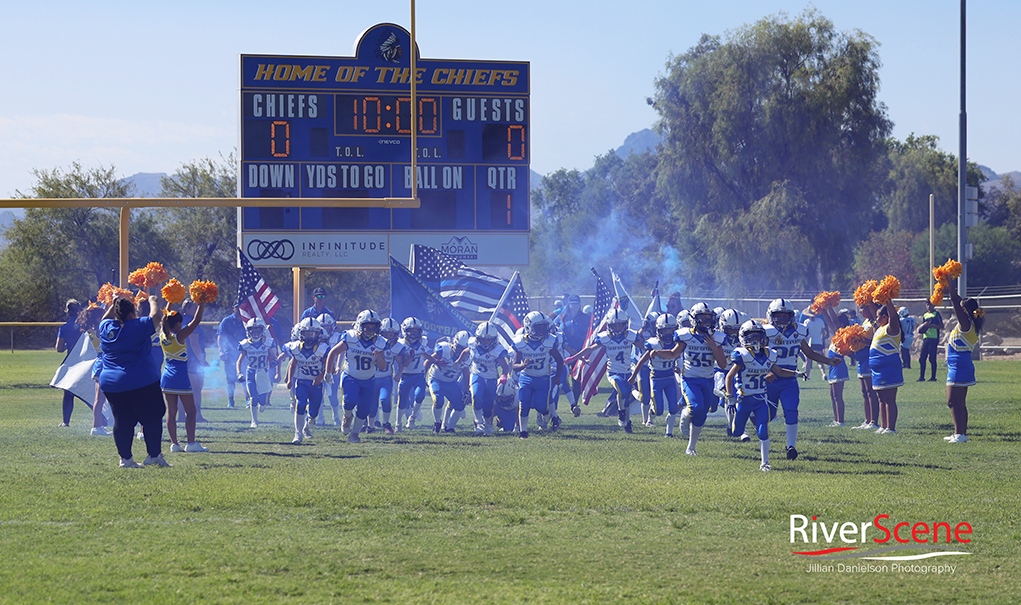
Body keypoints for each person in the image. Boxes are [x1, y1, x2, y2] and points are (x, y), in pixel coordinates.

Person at [761, 298, 841, 460]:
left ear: (791, 316)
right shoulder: (765, 332)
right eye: (779, 315)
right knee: (765, 416)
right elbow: (758, 355)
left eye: (785, 316)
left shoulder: (798, 331)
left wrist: (828, 361)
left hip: (789, 380)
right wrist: (764, 372)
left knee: (791, 412)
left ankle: (791, 446)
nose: (782, 319)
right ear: (771, 315)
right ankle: (764, 448)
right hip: (769, 380)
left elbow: (809, 353)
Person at [99, 294, 170, 468]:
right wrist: (153, 301)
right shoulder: (136, 326)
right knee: (153, 416)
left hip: (111, 382)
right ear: (131, 315)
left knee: (122, 420)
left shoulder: (106, 327)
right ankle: (153, 456)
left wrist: (115, 302)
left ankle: (125, 459)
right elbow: (156, 317)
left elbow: (104, 318)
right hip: (140, 379)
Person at [646, 303, 727, 454]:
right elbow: (673, 354)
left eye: (708, 318)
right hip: (690, 379)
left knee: (702, 414)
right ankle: (684, 414)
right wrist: (658, 352)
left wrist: (714, 347)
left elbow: (723, 364)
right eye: (702, 318)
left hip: (708, 380)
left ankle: (691, 447)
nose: (706, 321)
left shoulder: (717, 337)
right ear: (694, 319)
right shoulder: (685, 335)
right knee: (695, 407)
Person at [725, 320, 796, 472]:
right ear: (743, 338)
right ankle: (732, 423)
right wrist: (730, 396)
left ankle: (765, 462)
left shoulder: (769, 354)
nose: (756, 340)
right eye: (752, 337)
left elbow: (779, 371)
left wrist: (796, 373)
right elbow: (729, 377)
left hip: (761, 399)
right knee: (736, 432)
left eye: (758, 337)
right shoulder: (741, 355)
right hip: (744, 400)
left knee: (763, 430)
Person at [569, 309, 643, 433]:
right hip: (613, 372)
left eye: (620, 325)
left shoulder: (631, 335)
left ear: (625, 324)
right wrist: (576, 356)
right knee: (623, 392)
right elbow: (591, 348)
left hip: (628, 372)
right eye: (615, 325)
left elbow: (645, 346)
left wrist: (658, 352)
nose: (618, 328)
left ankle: (627, 421)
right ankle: (621, 413)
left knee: (625, 397)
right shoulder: (605, 337)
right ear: (609, 325)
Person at [326, 310, 386, 443]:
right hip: (350, 376)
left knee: (365, 409)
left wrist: (379, 357)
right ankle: (347, 417)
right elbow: (333, 353)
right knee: (349, 401)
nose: (371, 329)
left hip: (368, 380)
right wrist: (328, 372)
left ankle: (354, 434)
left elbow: (383, 367)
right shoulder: (350, 337)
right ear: (360, 325)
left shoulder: (380, 342)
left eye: (373, 326)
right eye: (367, 326)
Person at [160, 300, 209, 453]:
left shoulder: (162, 335)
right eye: (180, 323)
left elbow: (165, 317)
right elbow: (196, 321)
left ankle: (174, 444)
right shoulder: (179, 336)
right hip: (180, 375)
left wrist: (170, 300)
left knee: (171, 411)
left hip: (167, 375)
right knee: (191, 411)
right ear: (177, 325)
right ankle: (191, 443)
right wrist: (201, 304)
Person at [511, 311, 565, 439]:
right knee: (523, 404)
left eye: (543, 326)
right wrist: (523, 366)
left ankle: (547, 413)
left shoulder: (549, 341)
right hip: (526, 377)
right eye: (538, 327)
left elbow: (559, 360)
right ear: (529, 327)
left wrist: (557, 376)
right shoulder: (520, 342)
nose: (542, 330)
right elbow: (514, 365)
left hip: (543, 378)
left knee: (541, 406)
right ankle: (523, 432)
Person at [628, 313, 682, 438]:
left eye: (670, 330)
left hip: (669, 377)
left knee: (673, 407)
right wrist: (632, 377)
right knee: (658, 410)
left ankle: (669, 433)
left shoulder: (677, 343)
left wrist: (678, 366)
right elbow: (641, 361)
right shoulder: (653, 343)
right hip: (656, 378)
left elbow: (678, 356)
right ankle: (650, 415)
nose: (668, 333)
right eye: (665, 330)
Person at [454, 322, 511, 435]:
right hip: (477, 375)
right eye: (483, 340)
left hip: (491, 378)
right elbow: (466, 351)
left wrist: (504, 375)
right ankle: (478, 423)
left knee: (489, 404)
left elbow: (505, 365)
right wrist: (459, 360)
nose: (485, 342)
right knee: (476, 395)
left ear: (494, 340)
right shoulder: (472, 344)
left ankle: (487, 423)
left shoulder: (497, 350)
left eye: (488, 340)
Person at [943, 281, 982, 443]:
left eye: (962, 308)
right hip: (960, 364)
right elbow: (958, 301)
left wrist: (949, 280)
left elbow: (954, 300)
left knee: (952, 401)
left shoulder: (965, 324)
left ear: (965, 310)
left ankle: (960, 434)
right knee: (959, 402)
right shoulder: (971, 323)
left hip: (959, 365)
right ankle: (960, 433)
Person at [285, 317, 331, 444]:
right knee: (300, 405)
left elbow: (329, 366)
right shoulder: (296, 347)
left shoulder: (322, 348)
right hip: (302, 381)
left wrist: (320, 377)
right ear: (301, 334)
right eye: (307, 333)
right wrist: (289, 379)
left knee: (314, 412)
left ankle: (306, 426)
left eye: (313, 333)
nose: (310, 336)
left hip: (316, 384)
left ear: (318, 334)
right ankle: (297, 434)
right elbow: (293, 364)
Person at [75, 304, 113, 435]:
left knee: (99, 398)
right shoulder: (101, 330)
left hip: (99, 363)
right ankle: (98, 426)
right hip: (106, 363)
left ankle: (97, 426)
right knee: (105, 398)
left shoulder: (91, 330)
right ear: (98, 319)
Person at [871, 296, 904, 434]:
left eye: (878, 316)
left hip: (889, 368)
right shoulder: (879, 328)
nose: (876, 319)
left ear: (885, 317)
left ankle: (891, 428)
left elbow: (894, 317)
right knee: (881, 398)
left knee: (890, 398)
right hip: (878, 370)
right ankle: (883, 426)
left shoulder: (891, 328)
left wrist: (888, 300)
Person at [237, 318, 278, 428]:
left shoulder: (267, 343)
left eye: (257, 330)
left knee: (262, 400)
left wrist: (275, 363)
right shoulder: (246, 344)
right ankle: (254, 421)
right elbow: (239, 361)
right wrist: (239, 373)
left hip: (263, 373)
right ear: (249, 331)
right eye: (253, 331)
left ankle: (263, 403)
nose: (255, 333)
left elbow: (275, 357)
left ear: (262, 331)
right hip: (250, 372)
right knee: (253, 398)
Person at [428, 331, 470, 433]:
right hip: (436, 379)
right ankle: (437, 422)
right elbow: (428, 361)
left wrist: (466, 390)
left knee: (460, 405)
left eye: (464, 349)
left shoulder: (468, 357)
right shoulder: (445, 349)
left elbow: (466, 374)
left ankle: (450, 427)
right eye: (460, 348)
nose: (461, 351)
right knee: (438, 400)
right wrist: (423, 376)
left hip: (451, 383)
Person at [55, 299, 84, 427]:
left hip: (72, 363)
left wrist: (69, 345)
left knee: (68, 394)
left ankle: (66, 422)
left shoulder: (64, 328)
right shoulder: (86, 325)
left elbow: (59, 348)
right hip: (87, 361)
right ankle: (100, 421)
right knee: (94, 393)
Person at [559, 294, 591, 403]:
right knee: (570, 378)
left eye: (577, 304)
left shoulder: (586, 318)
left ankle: (576, 401)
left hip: (583, 351)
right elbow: (559, 335)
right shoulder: (562, 318)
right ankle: (574, 402)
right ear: (569, 305)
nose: (575, 306)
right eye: (573, 304)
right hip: (568, 353)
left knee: (578, 378)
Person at [180, 300, 208, 423]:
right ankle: (197, 416)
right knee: (196, 389)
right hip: (193, 360)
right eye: (195, 307)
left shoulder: (181, 321)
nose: (197, 308)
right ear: (187, 309)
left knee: (183, 389)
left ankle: (181, 416)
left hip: (184, 358)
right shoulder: (192, 322)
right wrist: (202, 360)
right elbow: (194, 344)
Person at [217, 304, 247, 409]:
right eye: (236, 307)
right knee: (230, 378)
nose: (239, 310)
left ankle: (248, 399)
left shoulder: (246, 320)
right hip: (230, 353)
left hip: (243, 353)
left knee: (245, 377)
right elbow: (220, 337)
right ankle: (231, 400)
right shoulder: (226, 321)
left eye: (240, 307)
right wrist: (221, 351)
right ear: (233, 308)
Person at [917, 300, 943, 382]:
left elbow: (941, 325)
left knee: (932, 358)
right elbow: (922, 328)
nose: (929, 306)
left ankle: (933, 377)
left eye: (930, 304)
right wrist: (923, 328)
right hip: (926, 338)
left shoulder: (936, 314)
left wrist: (931, 325)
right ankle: (921, 377)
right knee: (922, 358)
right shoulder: (925, 315)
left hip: (934, 338)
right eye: (927, 304)